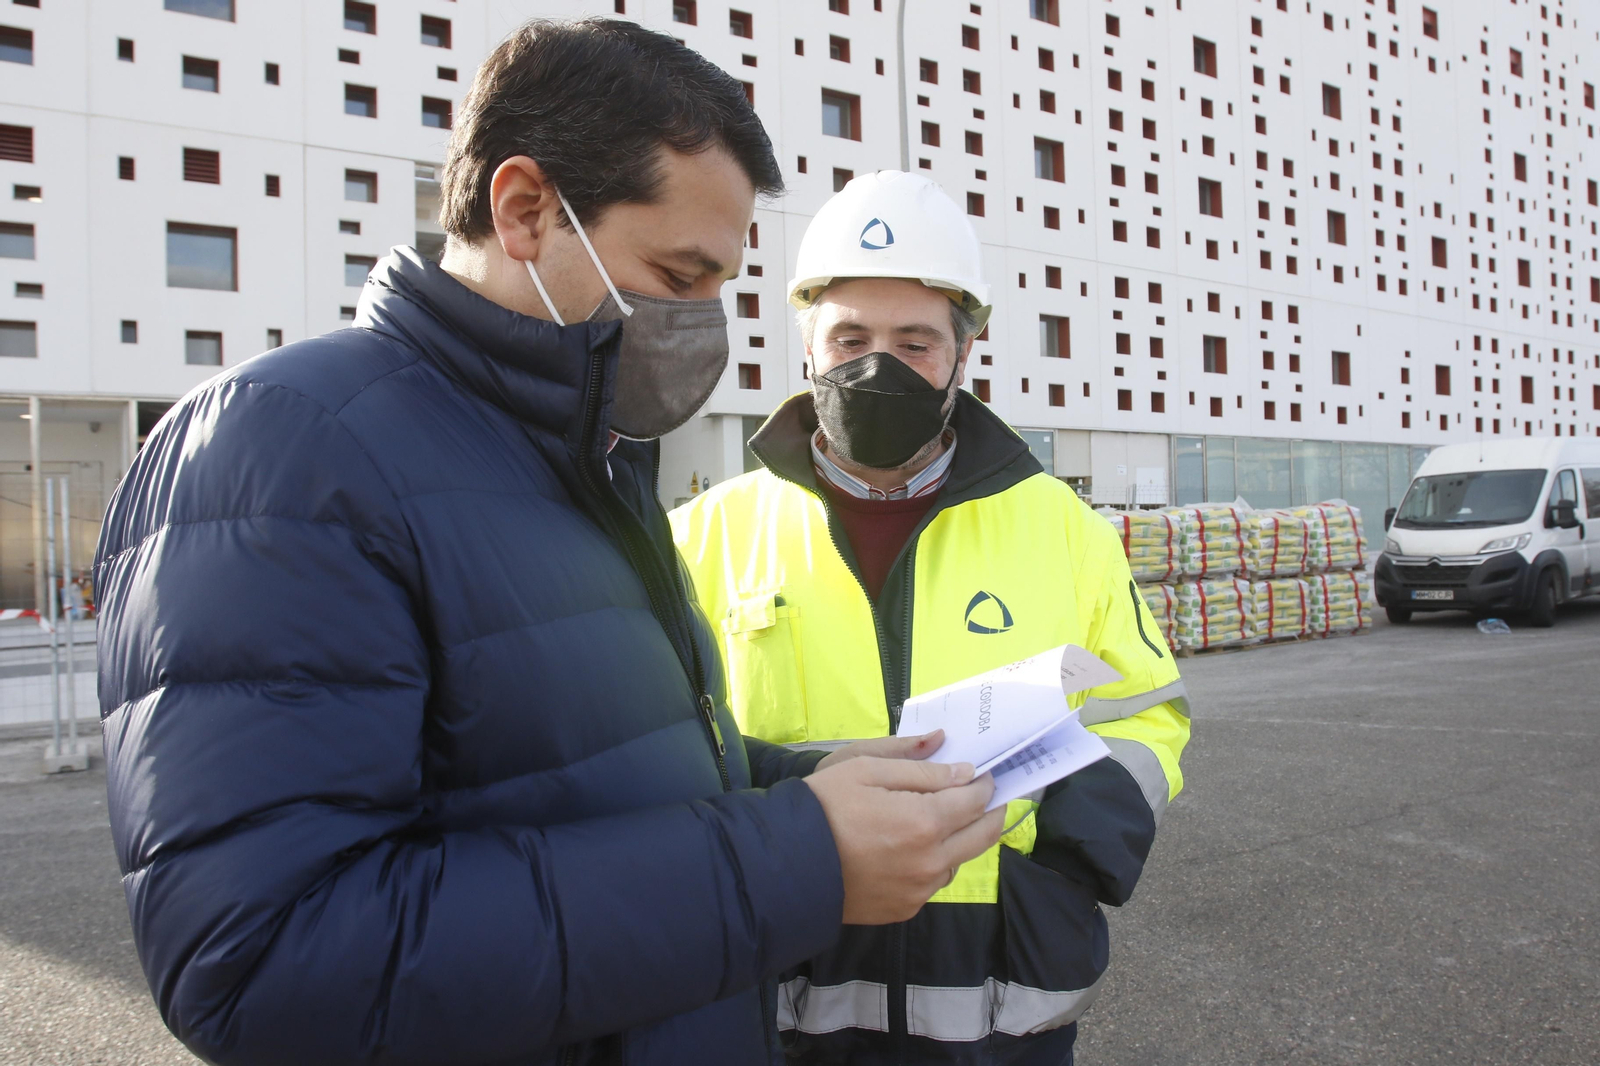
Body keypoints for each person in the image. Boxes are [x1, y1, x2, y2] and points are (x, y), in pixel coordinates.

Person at [93, 25, 1004, 1066]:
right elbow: (266, 965)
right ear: (525, 209)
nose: (702, 321)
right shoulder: (286, 453)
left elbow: (582, 769)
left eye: (720, 284)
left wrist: (799, 785)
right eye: (677, 273)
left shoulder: (585, 458)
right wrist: (796, 856)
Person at [670, 172, 1192, 1065]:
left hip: (1003, 1007)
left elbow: (1145, 711)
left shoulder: (1062, 528)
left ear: (963, 353)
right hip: (779, 1005)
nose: (878, 367)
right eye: (850, 338)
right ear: (808, 346)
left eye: (914, 343)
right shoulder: (705, 537)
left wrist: (1059, 862)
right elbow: (664, 750)